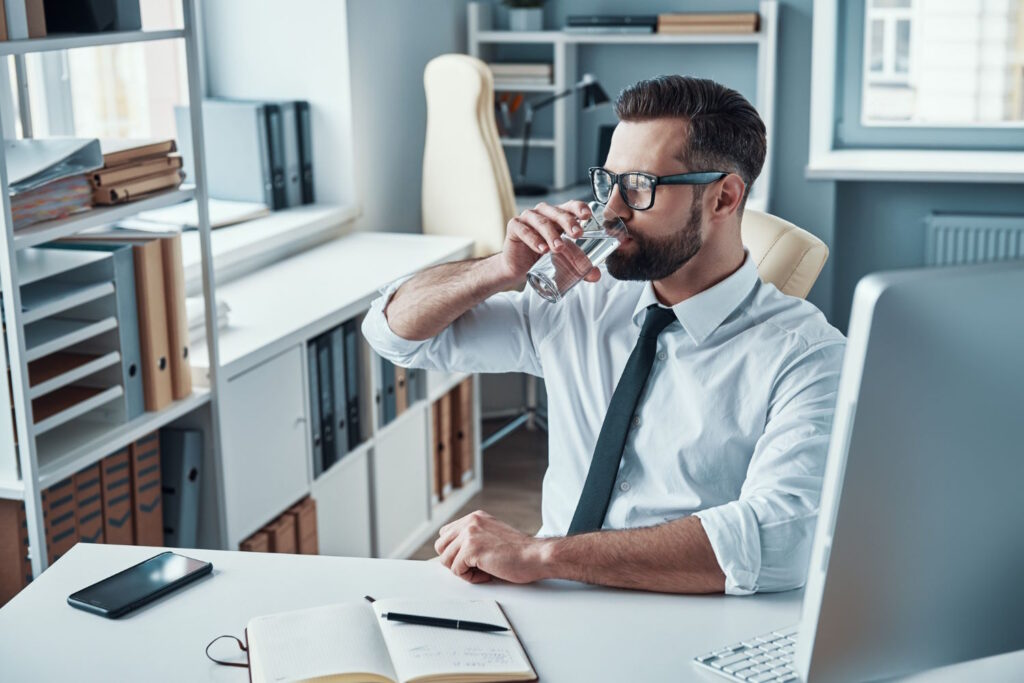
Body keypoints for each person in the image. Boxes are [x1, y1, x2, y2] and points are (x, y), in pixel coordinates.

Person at [362, 75, 845, 595]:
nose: (609, 211)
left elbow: (779, 538)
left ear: (724, 198)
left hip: (687, 617)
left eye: (640, 187)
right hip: (548, 598)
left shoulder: (808, 357)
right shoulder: (582, 299)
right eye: (607, 183)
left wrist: (540, 554)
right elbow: (395, 335)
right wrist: (498, 271)